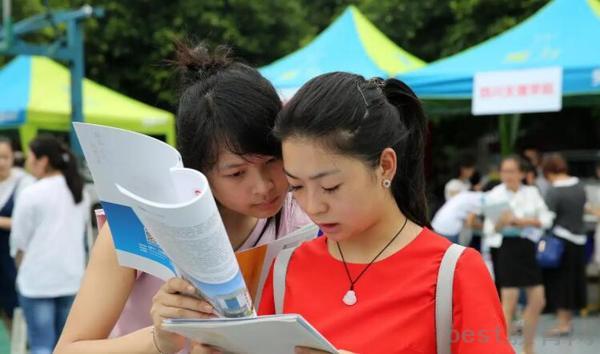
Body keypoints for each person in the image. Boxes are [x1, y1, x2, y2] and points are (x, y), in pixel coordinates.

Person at [55, 42, 311, 354]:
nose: (263, 187)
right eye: (236, 173)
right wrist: (158, 339)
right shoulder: (138, 225)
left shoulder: (306, 218)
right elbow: (68, 349)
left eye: (272, 161)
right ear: (198, 169)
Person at [252, 73, 512, 353]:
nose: (314, 206)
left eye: (330, 186)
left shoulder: (454, 272)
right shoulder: (286, 269)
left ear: (386, 166)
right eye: (297, 187)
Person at [10, 135, 87, 354]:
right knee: (67, 346)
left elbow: (19, 240)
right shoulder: (77, 189)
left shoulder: (31, 193)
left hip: (38, 279)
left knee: (42, 345)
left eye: (30, 156)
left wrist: (20, 266)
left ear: (42, 160)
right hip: (71, 277)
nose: (26, 161)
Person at [483, 155, 553, 354]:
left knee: (538, 299)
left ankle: (528, 347)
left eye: (512, 171)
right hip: (506, 247)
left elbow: (546, 218)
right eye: (504, 171)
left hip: (528, 246)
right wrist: (502, 222)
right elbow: (490, 229)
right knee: (509, 302)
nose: (508, 175)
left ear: (522, 173)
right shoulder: (495, 194)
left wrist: (524, 222)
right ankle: (502, 348)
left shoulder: (531, 192)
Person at [541, 153, 587, 336]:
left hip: (561, 241)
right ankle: (568, 321)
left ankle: (562, 323)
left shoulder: (554, 191)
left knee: (560, 282)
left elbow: (548, 219)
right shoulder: (579, 186)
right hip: (580, 240)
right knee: (574, 280)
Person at [0, 137, 34, 332]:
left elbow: (26, 224)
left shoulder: (24, 183)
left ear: (13, 157)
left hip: (12, 260)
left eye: (5, 157)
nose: (1, 162)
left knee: (15, 309)